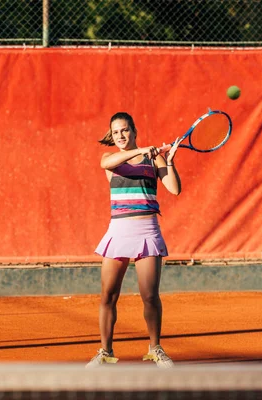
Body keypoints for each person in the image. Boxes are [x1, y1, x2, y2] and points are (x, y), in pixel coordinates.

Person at [86, 112, 181, 369]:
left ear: (134, 130)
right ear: (111, 135)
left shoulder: (155, 158)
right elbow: (106, 163)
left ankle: (156, 349)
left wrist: (168, 162)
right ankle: (105, 352)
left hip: (147, 230)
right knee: (108, 295)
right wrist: (140, 151)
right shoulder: (111, 160)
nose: (120, 136)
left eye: (125, 130)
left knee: (150, 295)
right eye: (116, 132)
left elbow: (174, 188)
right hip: (118, 231)